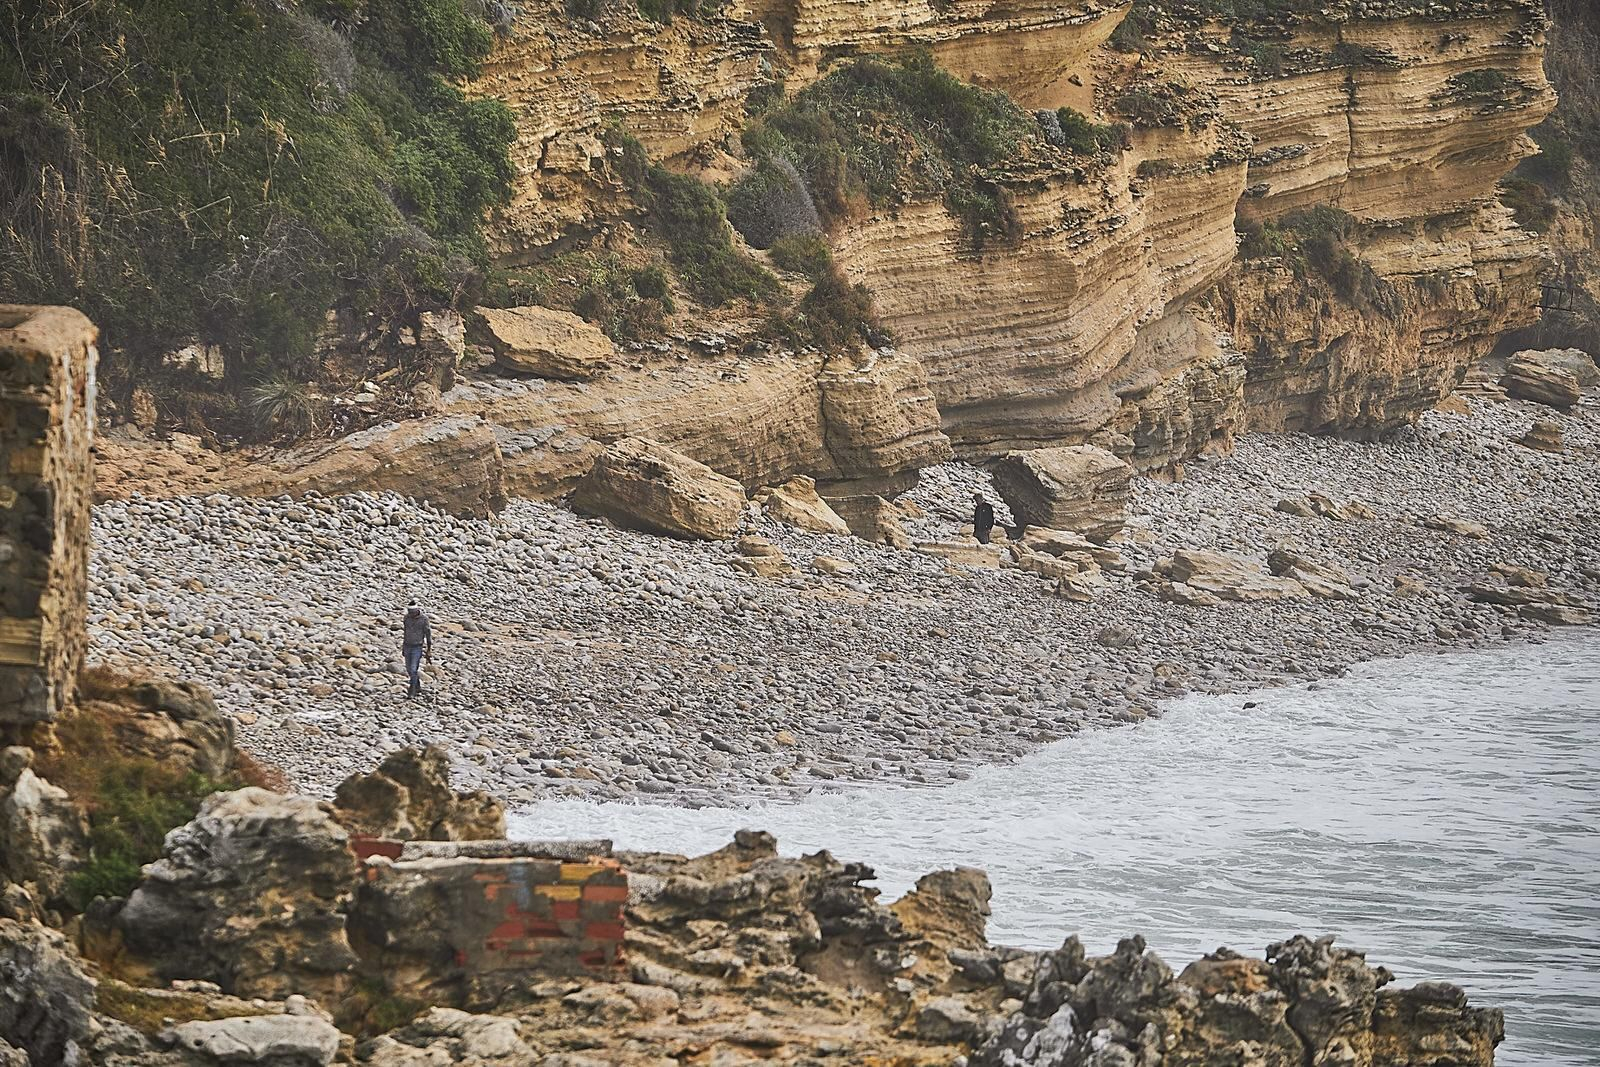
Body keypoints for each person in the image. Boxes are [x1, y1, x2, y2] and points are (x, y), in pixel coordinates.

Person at [402, 602, 432, 699]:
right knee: (409, 669)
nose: (411, 614)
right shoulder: (406, 618)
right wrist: (403, 646)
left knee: (413, 669)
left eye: (412, 612)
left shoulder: (424, 619)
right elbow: (405, 632)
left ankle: (412, 690)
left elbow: (428, 634)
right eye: (409, 612)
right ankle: (417, 685)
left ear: (416, 611)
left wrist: (428, 649)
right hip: (407, 645)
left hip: (417, 647)